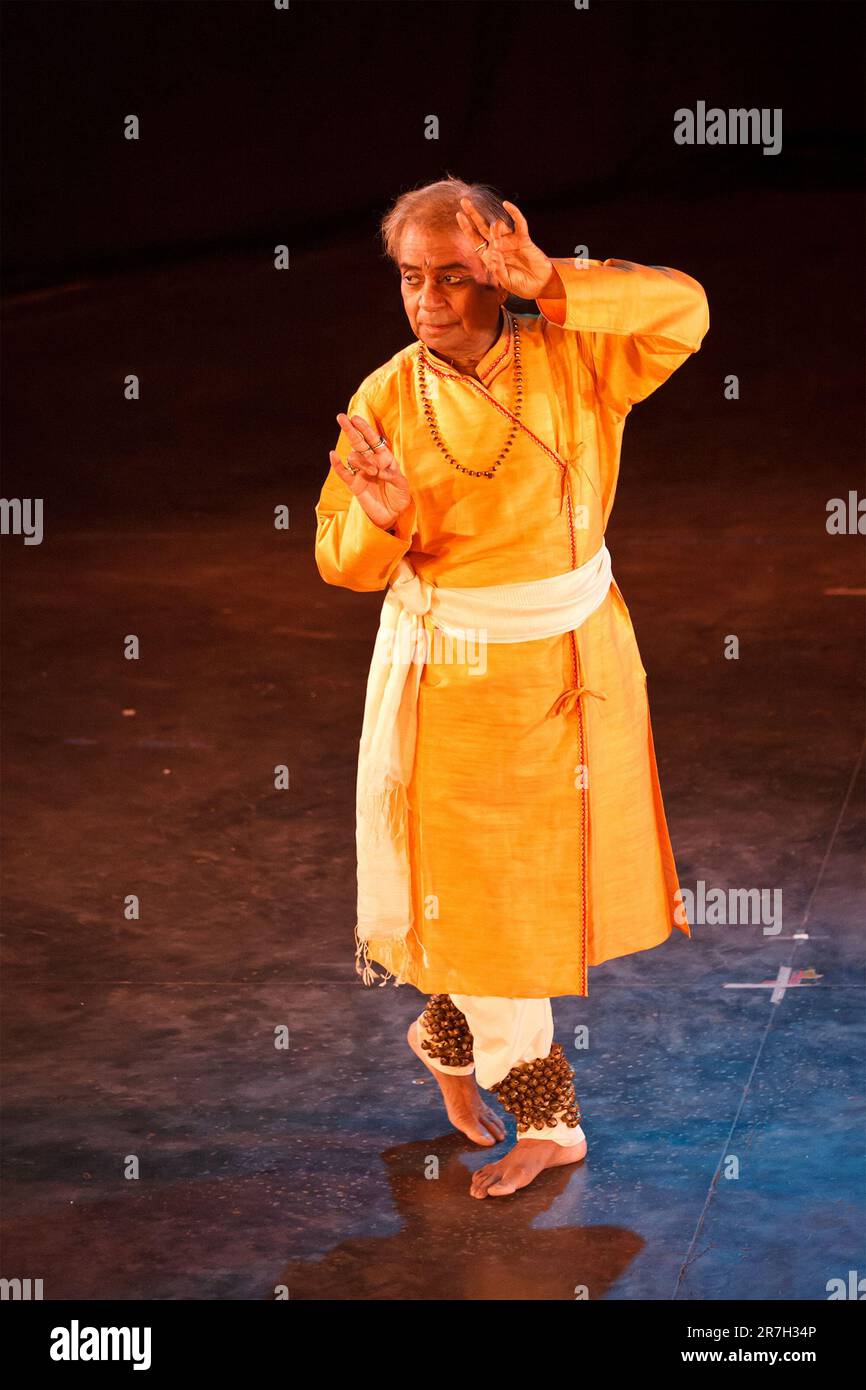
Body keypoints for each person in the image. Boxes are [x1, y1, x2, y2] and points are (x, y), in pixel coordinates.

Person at [313, 176, 709, 1198]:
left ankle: (448, 1026)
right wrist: (384, 519)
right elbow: (341, 562)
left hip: (578, 655)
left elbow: (686, 312)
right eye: (411, 278)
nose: (431, 300)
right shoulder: (384, 399)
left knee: (536, 885)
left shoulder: (574, 354)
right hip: (457, 678)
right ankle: (546, 1115)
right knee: (486, 889)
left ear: (495, 274)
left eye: (455, 276)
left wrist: (557, 282)